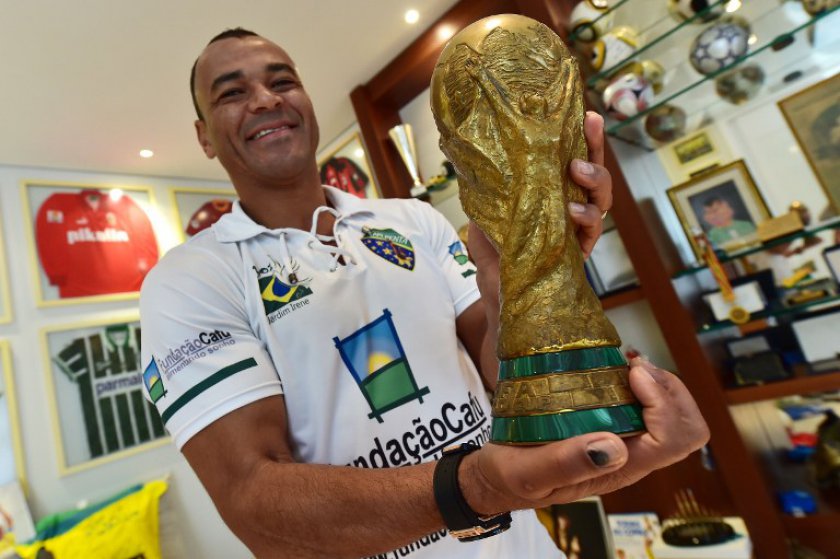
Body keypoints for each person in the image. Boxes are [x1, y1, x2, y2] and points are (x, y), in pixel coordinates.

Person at [139, 28, 709, 559]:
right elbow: (256, 505)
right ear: (204, 137)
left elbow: (499, 370)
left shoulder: (414, 220)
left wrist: (532, 276)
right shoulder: (190, 280)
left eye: (282, 81)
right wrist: (478, 486)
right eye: (232, 93)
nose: (266, 99)